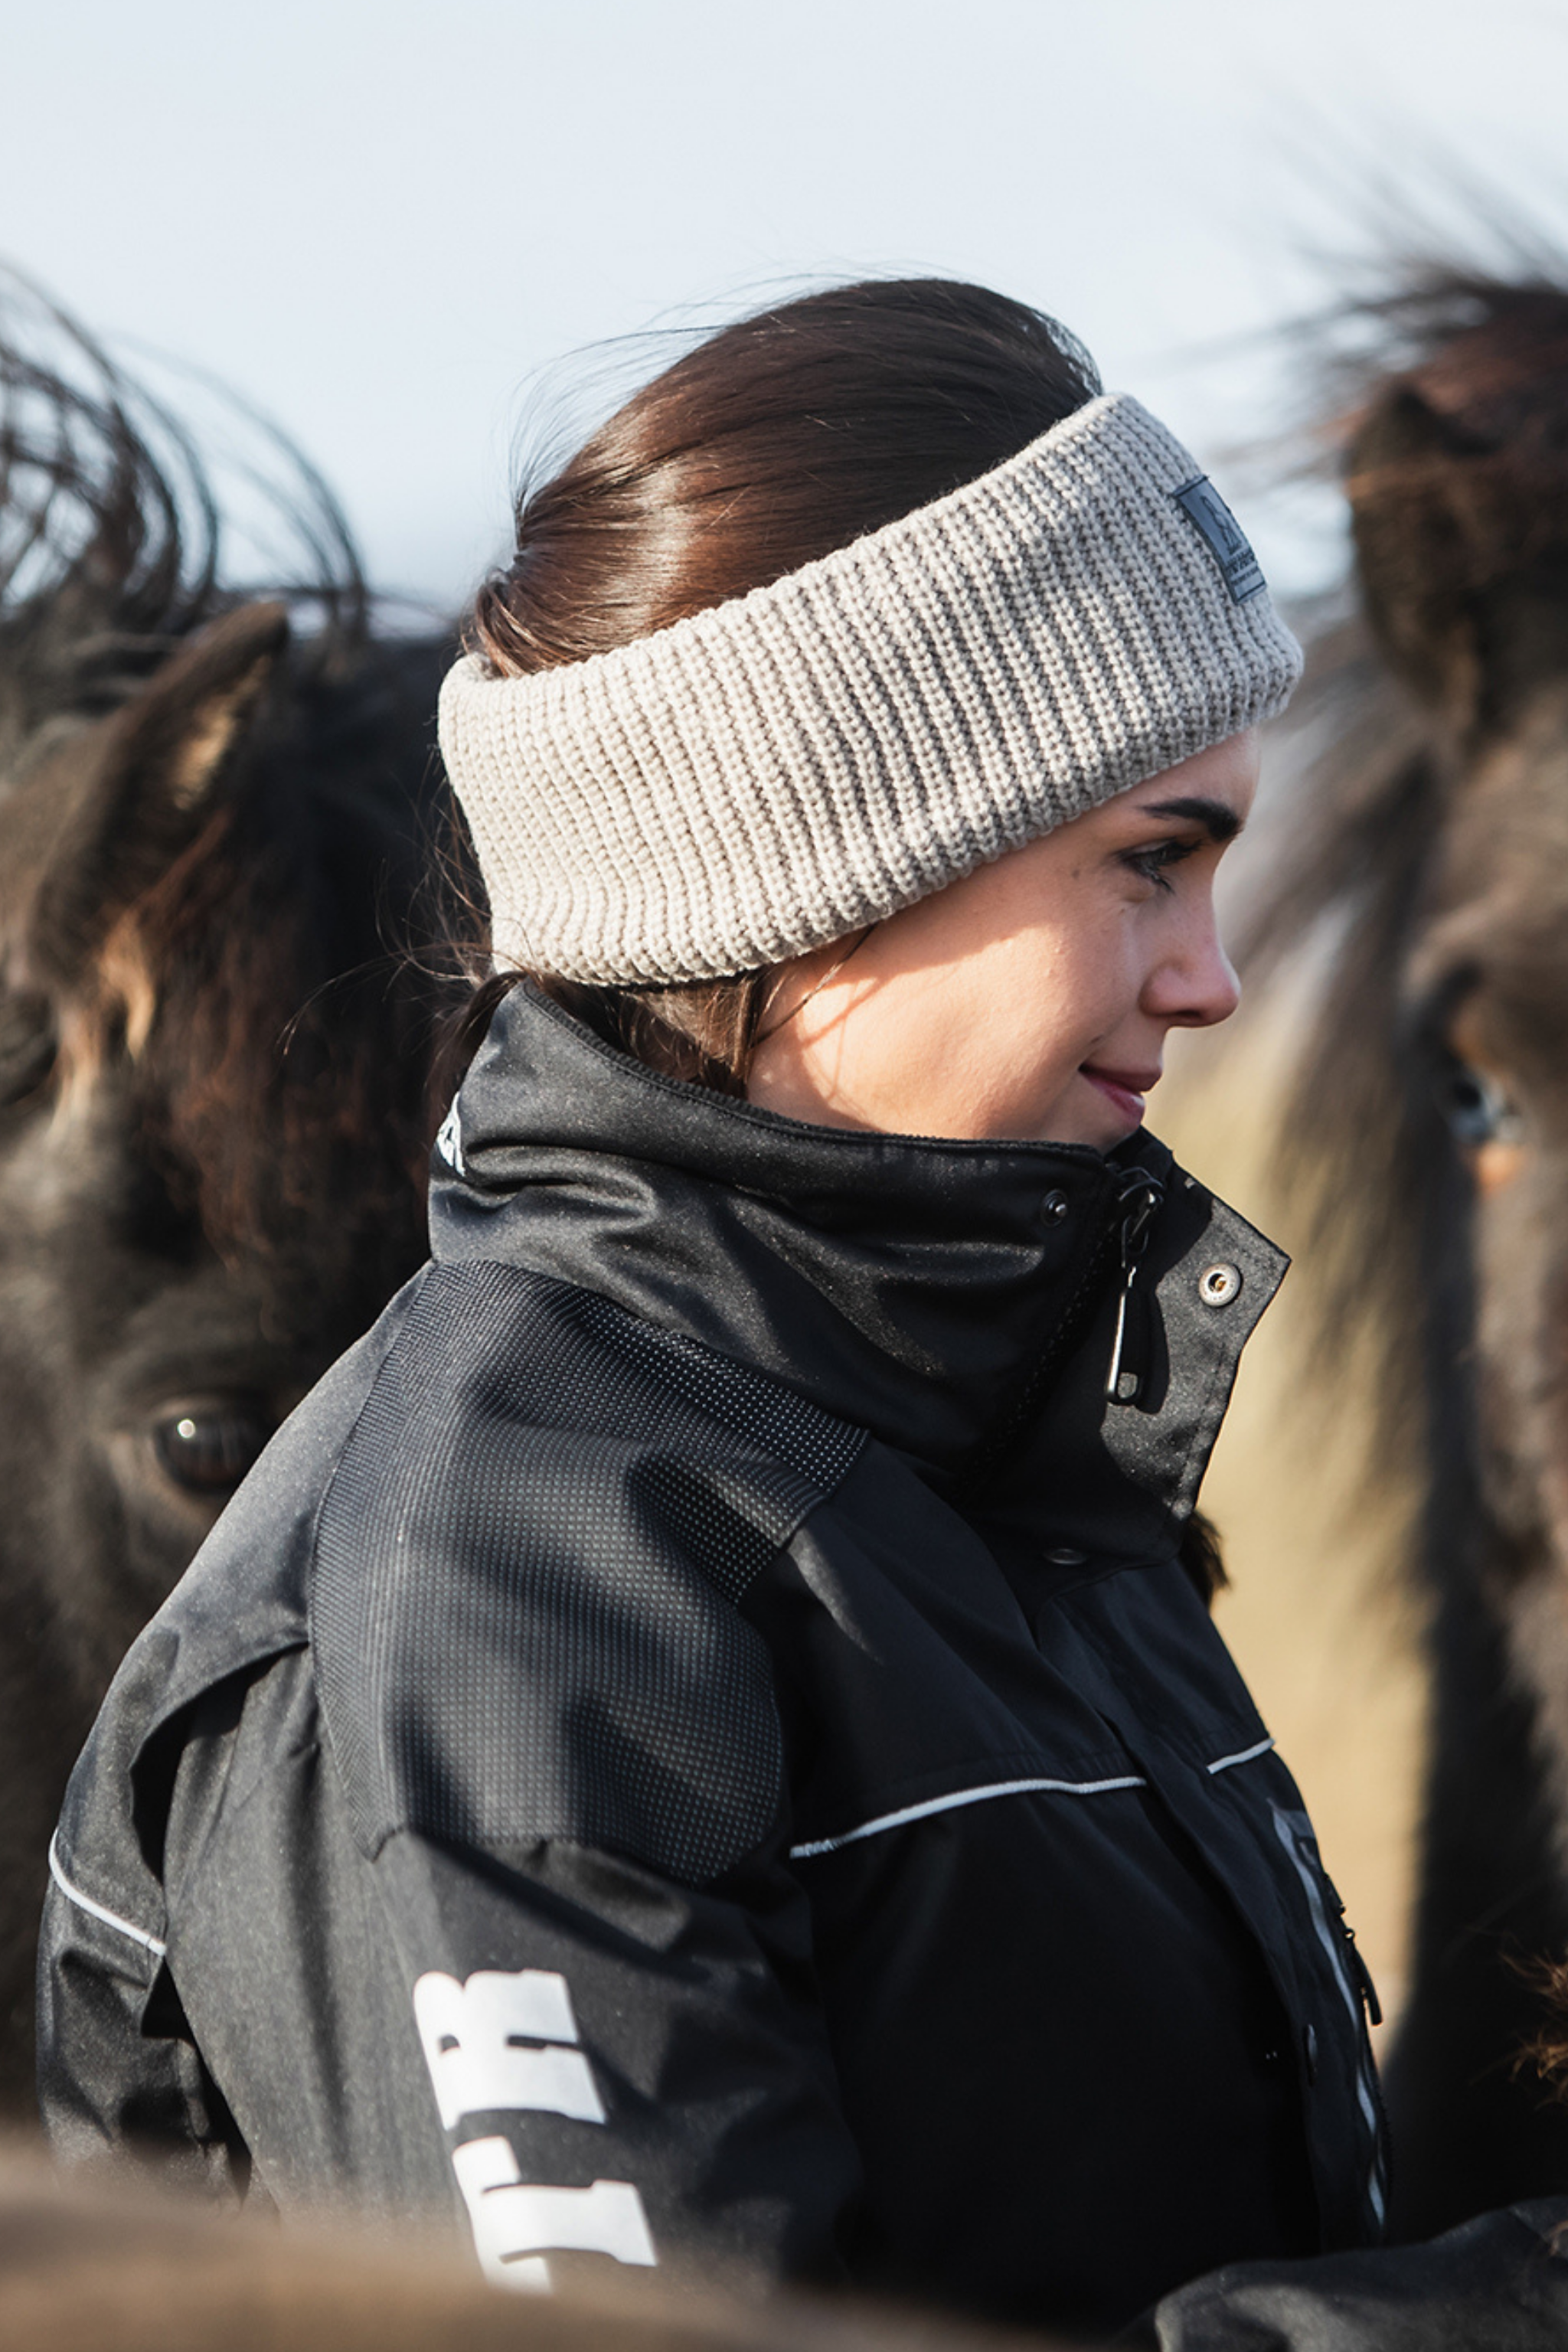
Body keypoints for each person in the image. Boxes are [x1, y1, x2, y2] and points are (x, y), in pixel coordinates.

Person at [37, 280, 1383, 2341]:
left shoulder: (985, 1461)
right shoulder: (496, 1613)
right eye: (1148, 860)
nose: (1209, 977)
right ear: (828, 873)